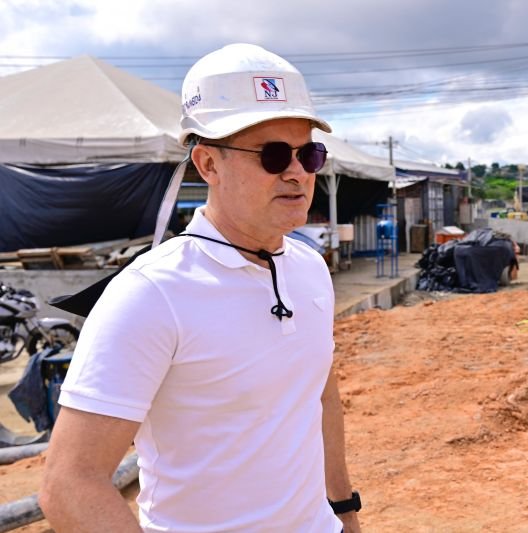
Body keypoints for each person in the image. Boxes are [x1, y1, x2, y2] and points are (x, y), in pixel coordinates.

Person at [40, 43, 361, 532]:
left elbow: (319, 395)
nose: (297, 172)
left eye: (308, 154)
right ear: (208, 164)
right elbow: (70, 484)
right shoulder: (151, 293)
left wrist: (343, 512)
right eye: (273, 155)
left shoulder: (310, 269)